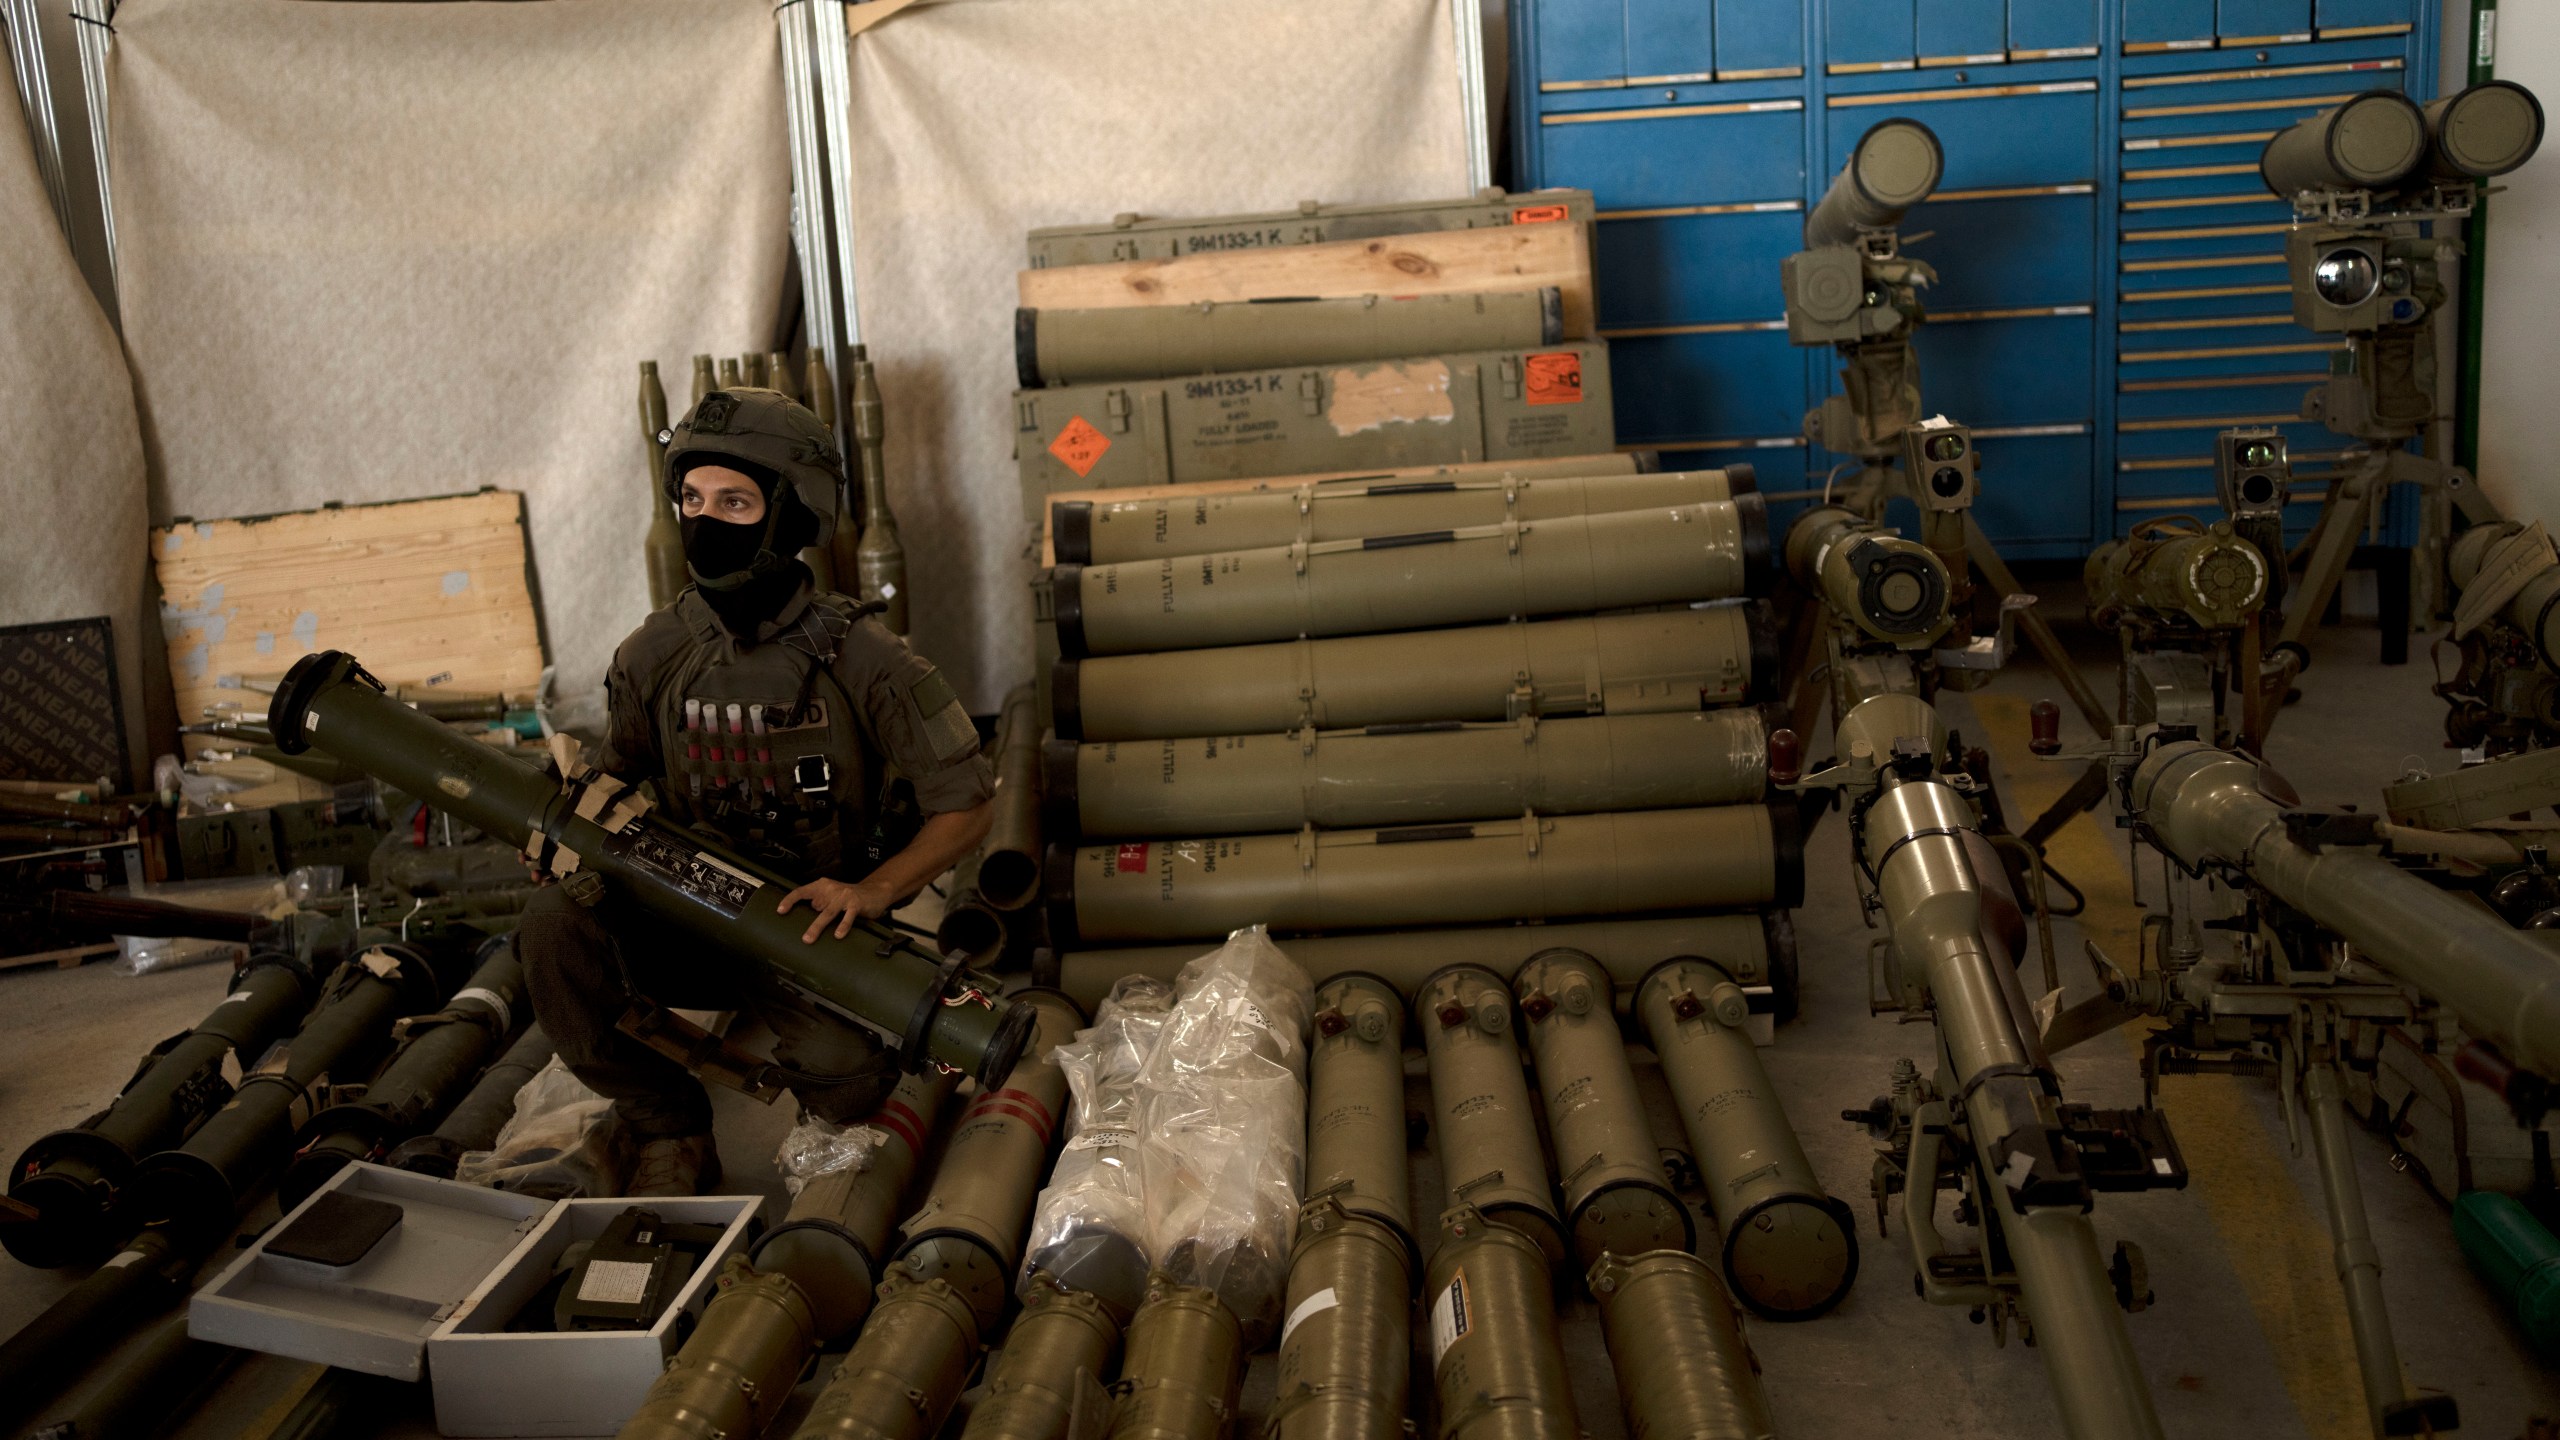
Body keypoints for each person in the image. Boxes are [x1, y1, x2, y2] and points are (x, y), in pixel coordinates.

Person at [516, 386, 993, 1196]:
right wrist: (562, 831)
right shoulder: (654, 652)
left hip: (805, 925)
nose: (704, 521)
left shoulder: (869, 660)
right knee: (552, 933)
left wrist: (875, 891)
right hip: (678, 908)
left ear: (795, 514)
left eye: (734, 502)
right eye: (692, 499)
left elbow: (968, 800)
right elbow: (615, 772)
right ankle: (666, 1122)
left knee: (851, 1079)